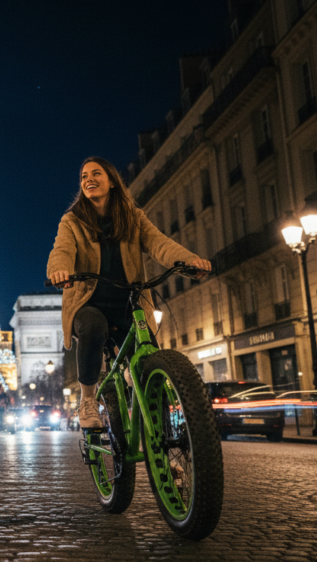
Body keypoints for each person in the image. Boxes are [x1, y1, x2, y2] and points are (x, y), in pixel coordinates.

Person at [47, 157, 211, 429]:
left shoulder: (133, 217)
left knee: (150, 365)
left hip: (130, 303)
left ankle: (161, 447)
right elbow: (62, 250)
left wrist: (189, 261)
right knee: (92, 327)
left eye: (96, 173)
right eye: (84, 176)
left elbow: (160, 244)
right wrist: (59, 270)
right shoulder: (72, 220)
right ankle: (87, 399)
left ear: (111, 181)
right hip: (90, 302)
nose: (89, 179)